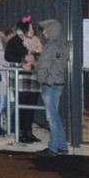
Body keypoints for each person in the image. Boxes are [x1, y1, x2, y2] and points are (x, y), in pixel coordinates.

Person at [33, 19, 69, 156]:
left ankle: (53, 147)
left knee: (52, 117)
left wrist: (48, 81)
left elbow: (58, 67)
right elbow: (45, 64)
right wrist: (33, 66)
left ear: (52, 31)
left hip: (51, 86)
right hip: (52, 85)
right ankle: (61, 145)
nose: (43, 32)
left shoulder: (55, 46)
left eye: (45, 30)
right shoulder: (52, 45)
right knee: (54, 116)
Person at [5, 17, 42, 144]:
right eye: (30, 28)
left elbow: (41, 56)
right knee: (21, 105)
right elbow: (8, 55)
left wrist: (35, 59)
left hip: (34, 76)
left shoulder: (37, 41)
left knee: (31, 105)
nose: (32, 30)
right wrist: (23, 59)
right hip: (20, 77)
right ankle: (20, 131)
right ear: (23, 29)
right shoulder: (15, 40)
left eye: (33, 28)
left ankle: (28, 131)